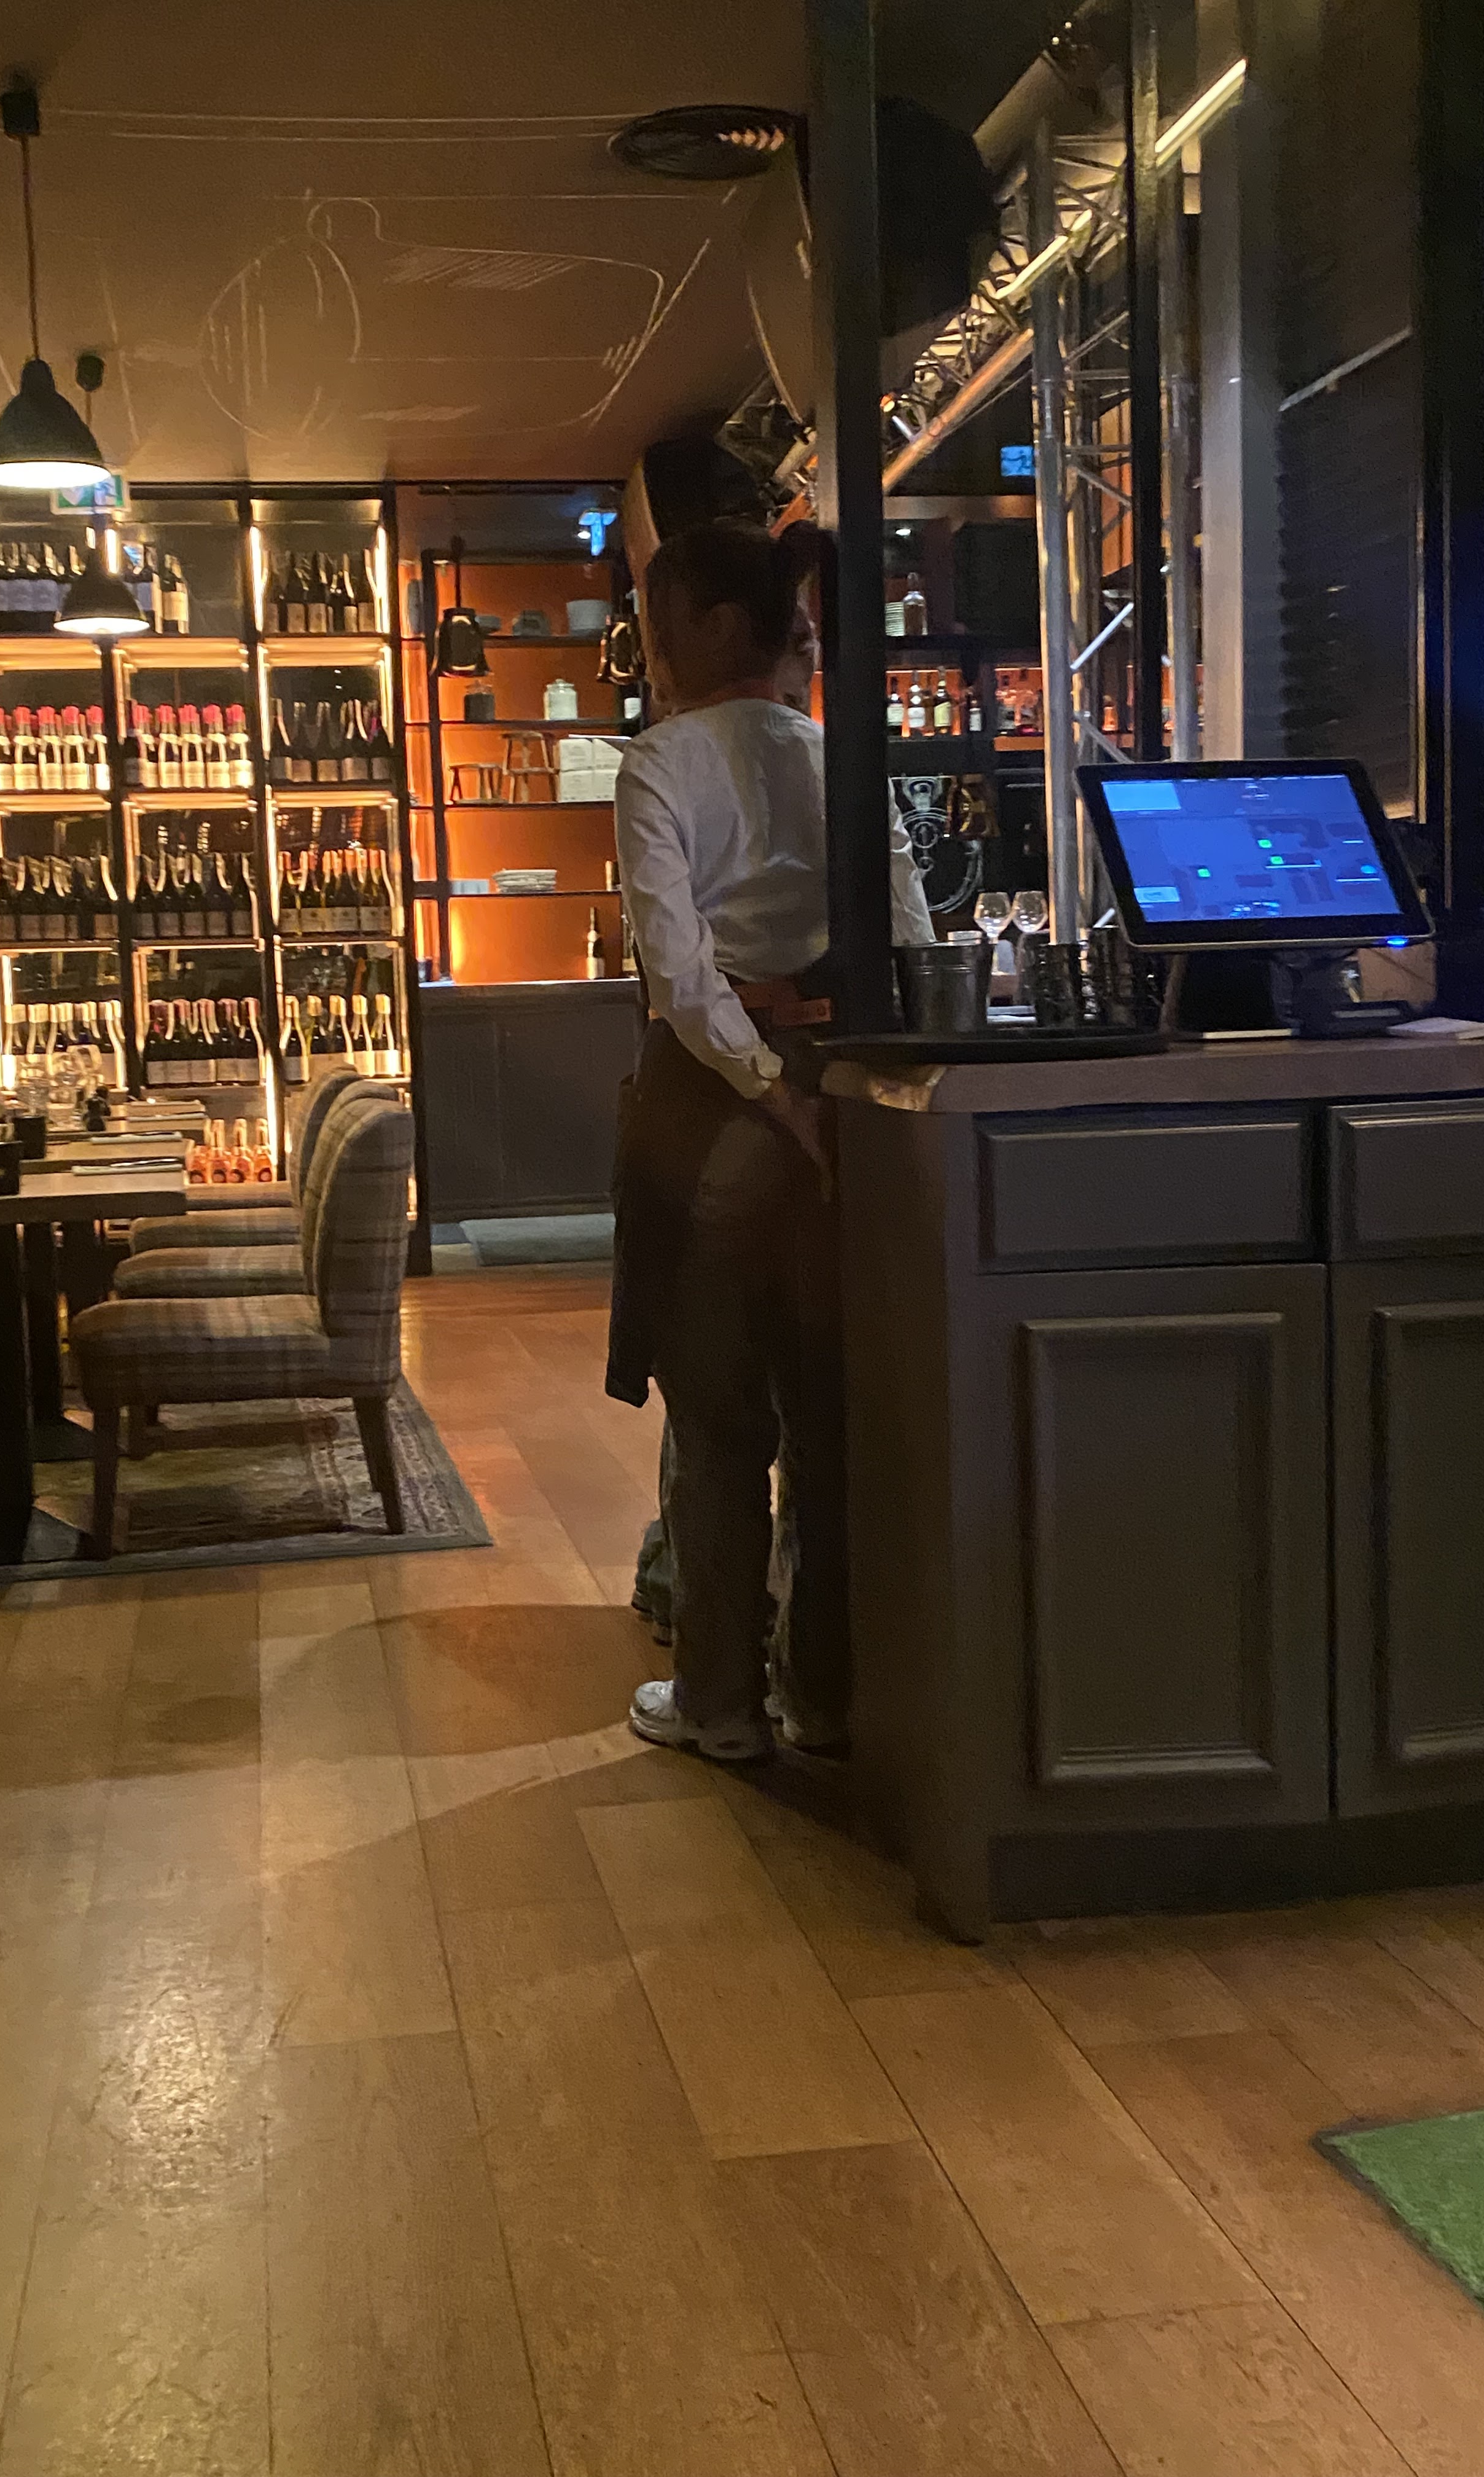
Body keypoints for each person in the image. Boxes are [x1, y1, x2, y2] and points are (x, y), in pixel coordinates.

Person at [609, 522, 931, 1762]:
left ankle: (721, 1704)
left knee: (717, 1420)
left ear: (717, 626)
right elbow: (909, 935)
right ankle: (830, 1696)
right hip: (846, 1098)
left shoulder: (662, 761)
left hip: (708, 1116)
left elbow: (679, 973)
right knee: (829, 1419)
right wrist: (823, 1082)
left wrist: (759, 1080)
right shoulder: (838, 756)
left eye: (659, 620)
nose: (649, 648)